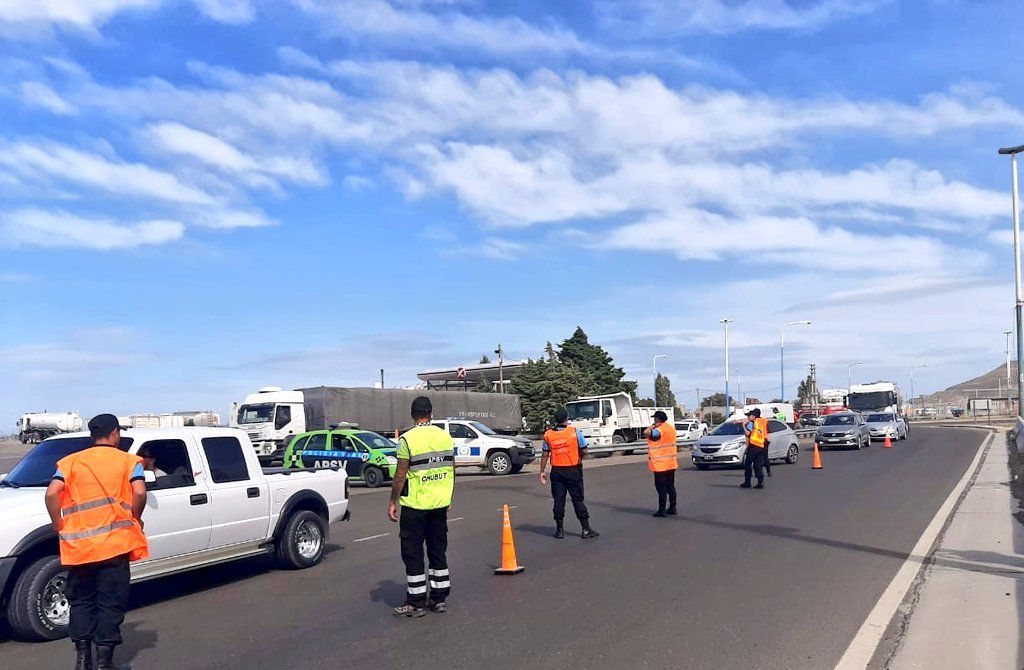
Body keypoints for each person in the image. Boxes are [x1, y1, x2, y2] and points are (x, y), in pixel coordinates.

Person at [44, 414, 148, 670]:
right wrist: (135, 518)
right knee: (110, 603)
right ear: (115, 434)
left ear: (92, 435)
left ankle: (82, 662)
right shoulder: (129, 461)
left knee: (82, 602)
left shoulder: (70, 462)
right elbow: (140, 492)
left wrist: (60, 525)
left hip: (80, 549)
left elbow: (51, 493)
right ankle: (104, 665)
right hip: (115, 545)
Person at [387, 397, 454, 617]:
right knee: (437, 550)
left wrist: (392, 501)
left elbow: (400, 475)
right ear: (431, 413)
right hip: (439, 504)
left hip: (415, 506)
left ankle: (415, 601)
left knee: (413, 552)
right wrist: (448, 497)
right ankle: (438, 598)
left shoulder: (407, 440)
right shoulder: (445, 436)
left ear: (413, 415)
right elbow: (450, 468)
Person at [539, 409, 599, 539]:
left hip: (557, 472)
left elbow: (545, 455)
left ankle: (559, 530)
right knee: (577, 500)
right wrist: (579, 459)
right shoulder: (574, 431)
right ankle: (585, 528)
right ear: (566, 419)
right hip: (573, 470)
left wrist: (542, 471)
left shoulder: (548, 435)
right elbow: (584, 450)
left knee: (558, 500)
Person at [644, 410, 678, 517]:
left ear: (658, 419)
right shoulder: (670, 428)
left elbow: (646, 433)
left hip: (660, 465)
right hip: (671, 463)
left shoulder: (659, 430)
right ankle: (673, 507)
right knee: (670, 486)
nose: (654, 419)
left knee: (661, 488)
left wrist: (652, 426)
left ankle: (661, 510)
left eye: (655, 418)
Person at [741, 409, 769, 489]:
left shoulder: (753, 423)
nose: (747, 417)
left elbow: (748, 433)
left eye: (749, 415)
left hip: (753, 446)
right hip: (761, 445)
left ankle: (747, 482)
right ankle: (760, 482)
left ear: (753, 416)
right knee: (758, 465)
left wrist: (743, 425)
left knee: (748, 464)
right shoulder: (763, 421)